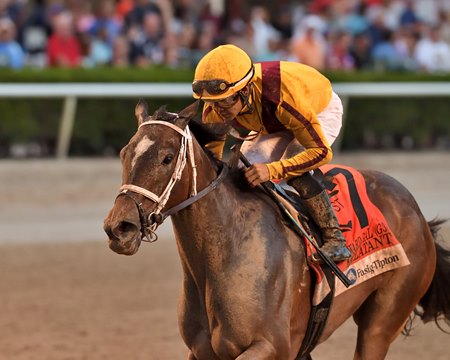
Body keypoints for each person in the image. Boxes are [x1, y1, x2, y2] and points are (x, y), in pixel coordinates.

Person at [191, 44, 352, 264]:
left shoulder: (283, 97)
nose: (218, 110)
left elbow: (322, 152)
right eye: (212, 103)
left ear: (245, 90)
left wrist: (272, 169)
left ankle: (335, 239)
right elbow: (213, 161)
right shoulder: (215, 106)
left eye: (225, 101)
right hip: (274, 121)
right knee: (239, 174)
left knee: (294, 168)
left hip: (317, 111)